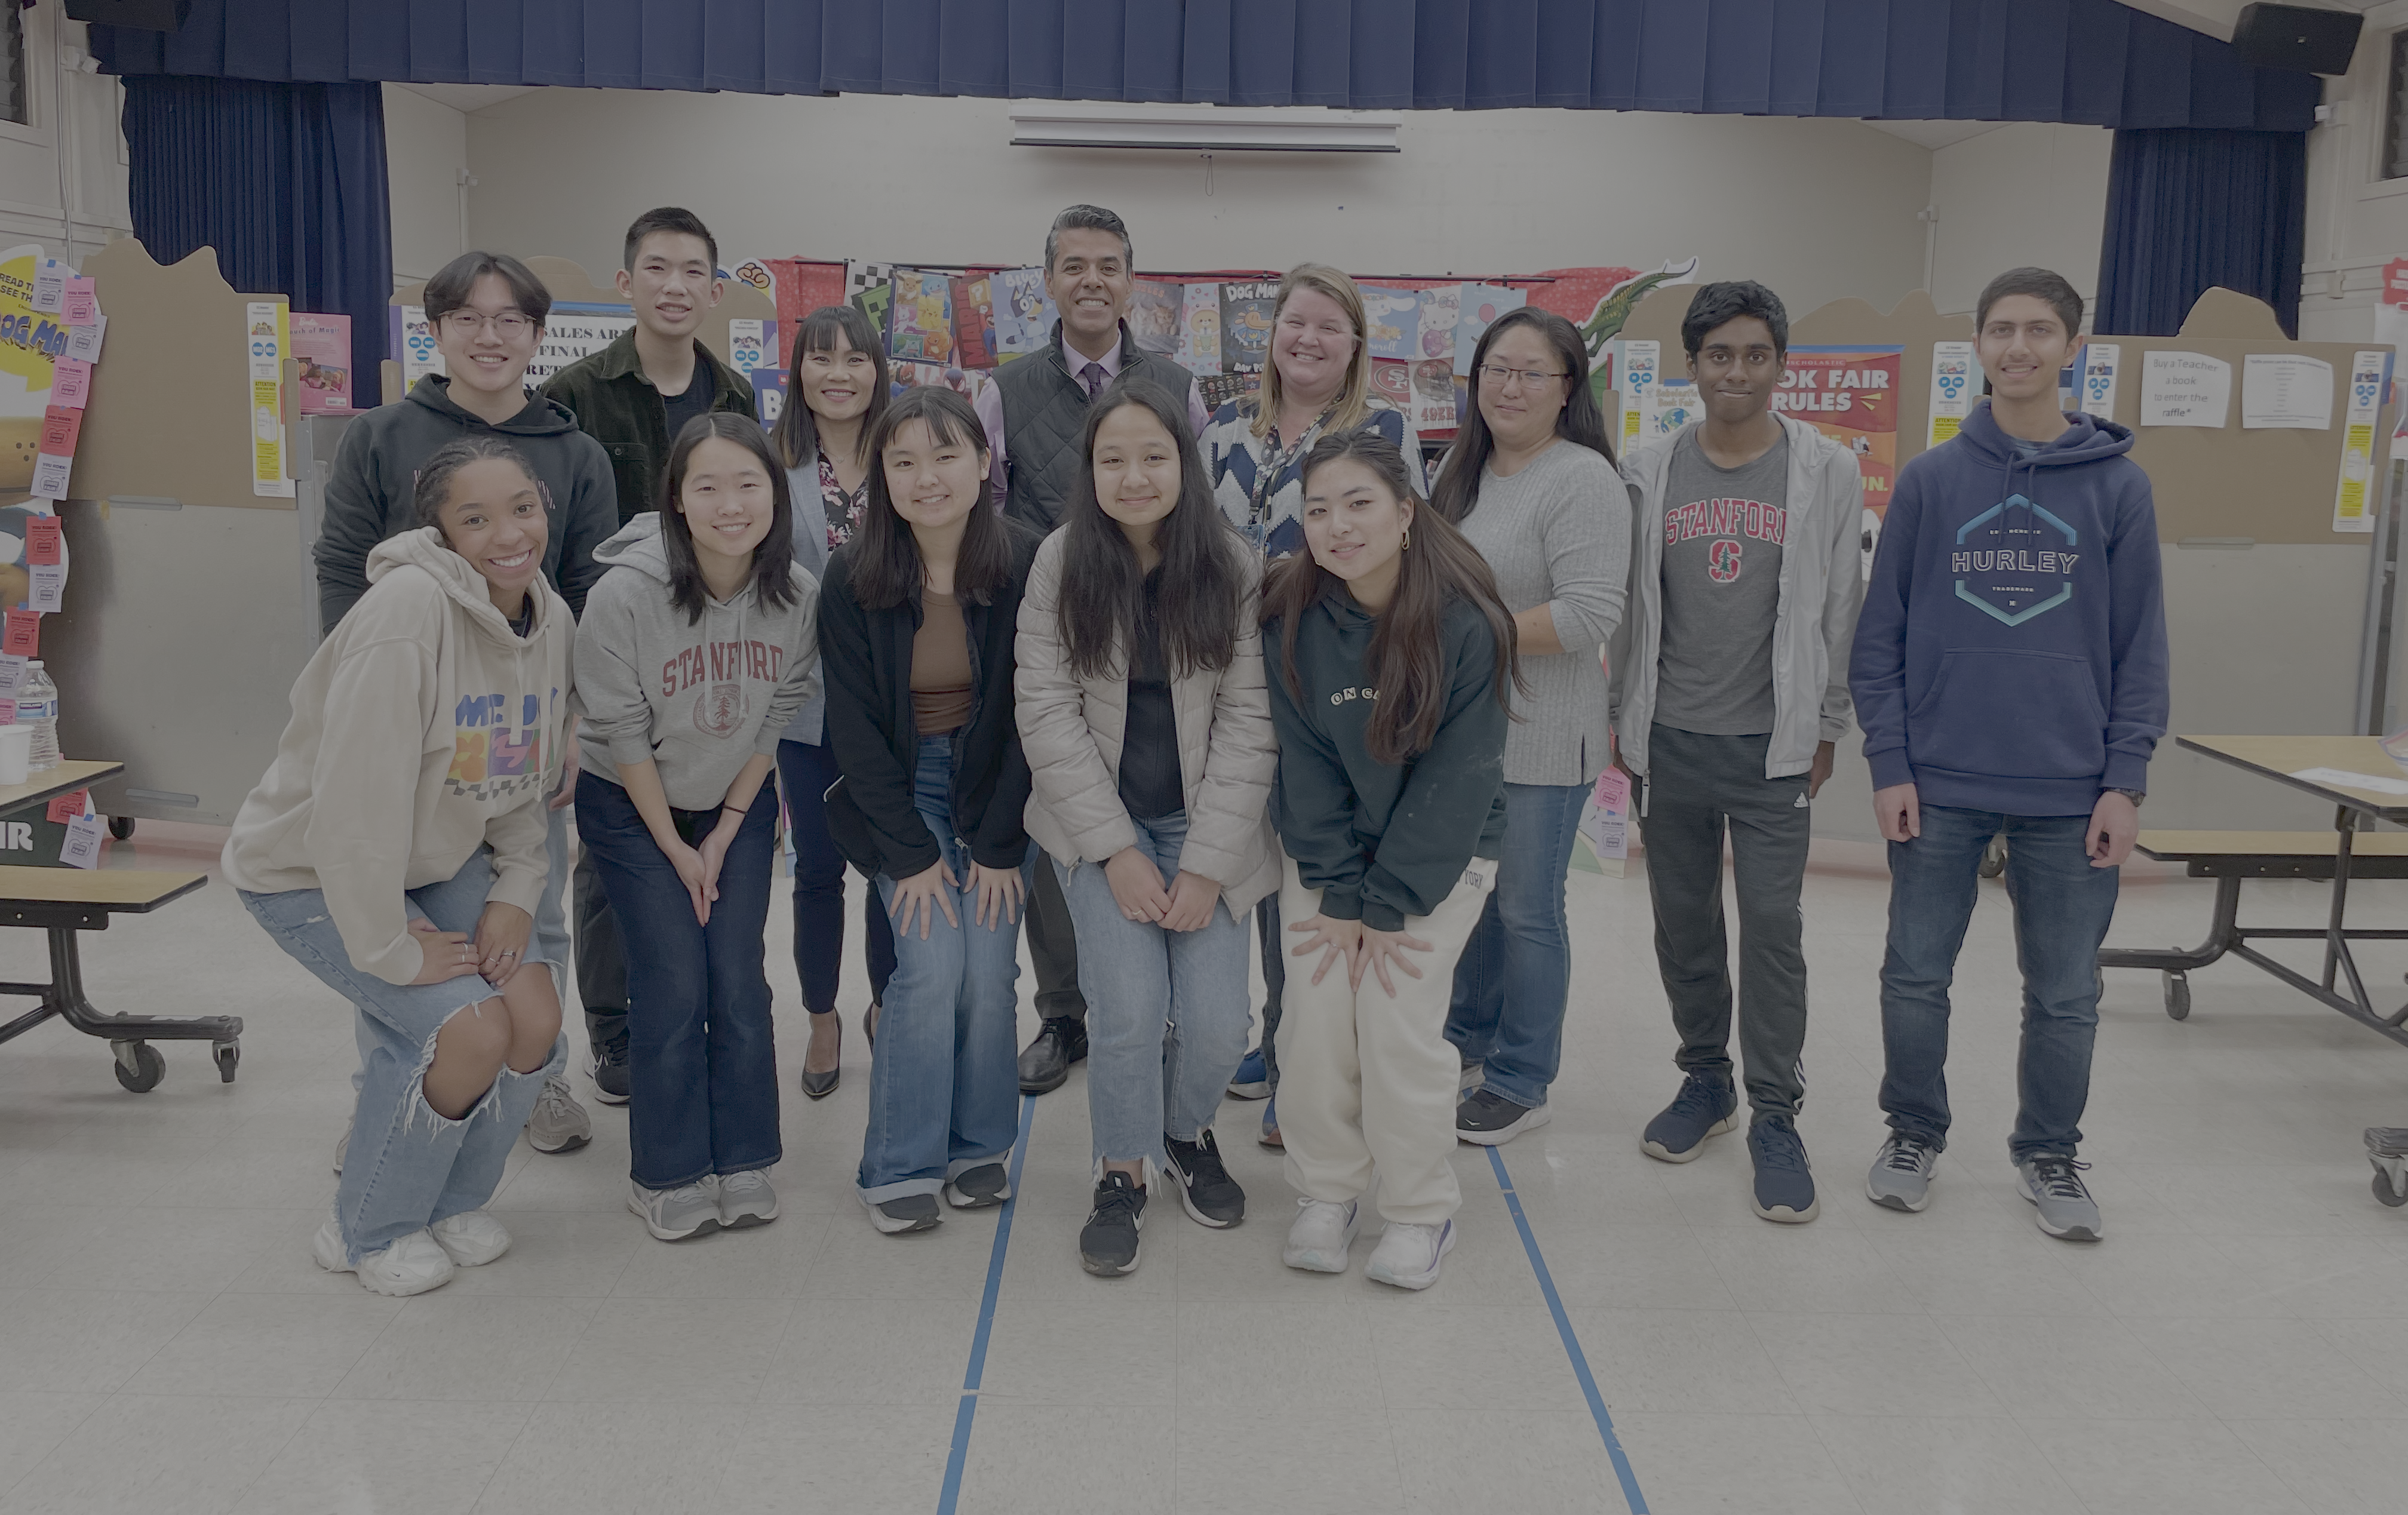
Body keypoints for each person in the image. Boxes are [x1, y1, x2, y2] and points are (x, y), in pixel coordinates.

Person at [1850, 266, 2167, 1243]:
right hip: (1940, 784)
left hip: (2072, 792)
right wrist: (1891, 763)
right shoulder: (1932, 482)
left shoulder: (2119, 487)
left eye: (2038, 331)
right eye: (2000, 330)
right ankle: (1912, 1131)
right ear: (1978, 349)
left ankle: (2050, 1151)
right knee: (1913, 972)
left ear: (2073, 348)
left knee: (2067, 993)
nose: (2018, 347)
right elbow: (1880, 641)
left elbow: (2140, 648)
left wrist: (2125, 780)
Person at [229, 438, 573, 1295]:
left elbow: (524, 772)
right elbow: (354, 804)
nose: (507, 534)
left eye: (522, 508)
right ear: (443, 533)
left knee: (532, 1015)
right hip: (311, 867)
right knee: (461, 1029)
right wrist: (390, 947)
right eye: (476, 518)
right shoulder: (407, 612)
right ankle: (367, 1227)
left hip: (433, 855)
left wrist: (518, 890)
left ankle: (450, 1201)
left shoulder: (548, 613)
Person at [312, 248, 612, 1159]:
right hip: (408, 741)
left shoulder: (574, 450)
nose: (491, 336)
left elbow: (593, 600)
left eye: (511, 319)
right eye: (469, 319)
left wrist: (572, 724)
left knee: (533, 908)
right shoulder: (379, 436)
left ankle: (539, 1073)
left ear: (535, 335)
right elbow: (340, 573)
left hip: (518, 736)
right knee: (400, 924)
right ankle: (390, 1093)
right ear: (434, 331)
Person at [1611, 281, 1866, 1225]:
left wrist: (1827, 725)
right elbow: (1633, 609)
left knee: (1773, 929)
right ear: (1692, 366)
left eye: (1756, 355)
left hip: (1774, 749)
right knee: (1683, 925)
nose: (1737, 372)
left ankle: (1775, 1113)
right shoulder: (1648, 468)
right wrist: (1621, 721)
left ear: (1780, 365)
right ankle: (1704, 1081)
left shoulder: (1824, 470)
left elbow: (1842, 605)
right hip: (1667, 740)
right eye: (1719, 355)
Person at [1016, 379, 1278, 1276]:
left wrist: (1205, 866)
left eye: (1154, 457)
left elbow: (1250, 723)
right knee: (1127, 1015)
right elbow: (1044, 710)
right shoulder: (1060, 561)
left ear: (1186, 464)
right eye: (1112, 459)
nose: (1134, 476)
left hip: (1212, 830)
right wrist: (1117, 851)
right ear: (1089, 470)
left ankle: (1182, 1130)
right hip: (1100, 831)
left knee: (1217, 1030)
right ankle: (1120, 1169)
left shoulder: (1232, 565)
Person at [1264, 430, 1519, 1290]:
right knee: (1316, 1014)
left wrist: (1386, 905)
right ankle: (1327, 1192)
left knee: (1397, 1015)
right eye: (1319, 510)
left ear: (1405, 514)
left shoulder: (1467, 622)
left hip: (1440, 858)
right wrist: (1340, 893)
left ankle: (1418, 1209)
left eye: (1359, 504)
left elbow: (1462, 776)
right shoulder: (1291, 618)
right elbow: (1305, 765)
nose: (1338, 526)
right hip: (1331, 857)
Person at [975, 204, 1212, 1098]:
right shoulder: (1004, 389)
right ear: (1047, 281)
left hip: (1163, 645)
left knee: (1164, 822)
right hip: (1054, 637)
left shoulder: (1178, 386)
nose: (1091, 281)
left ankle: (1162, 1017)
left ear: (1131, 280)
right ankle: (1065, 1013)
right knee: (1066, 824)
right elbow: (982, 515)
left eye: (1108, 266)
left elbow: (1194, 513)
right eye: (1073, 266)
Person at [573, 413, 821, 1241]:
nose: (730, 504)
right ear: (677, 500)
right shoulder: (624, 596)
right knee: (674, 980)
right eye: (707, 486)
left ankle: (745, 1156)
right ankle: (668, 1171)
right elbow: (620, 731)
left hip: (734, 804)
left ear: (776, 495)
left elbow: (779, 713)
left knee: (738, 980)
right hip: (630, 803)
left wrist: (730, 826)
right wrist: (677, 845)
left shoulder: (797, 593)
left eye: (749, 484)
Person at [1202, 262, 1418, 1148]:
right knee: (1253, 866)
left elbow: (1399, 561)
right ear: (1271, 333)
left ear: (1356, 344)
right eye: (1295, 322)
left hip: (1328, 676)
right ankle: (1276, 1037)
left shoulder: (1381, 429)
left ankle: (1309, 1074)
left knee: (1312, 865)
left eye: (1330, 326)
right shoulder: (1221, 427)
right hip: (1229, 677)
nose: (1309, 339)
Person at [544, 208, 757, 1099]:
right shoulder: (576, 395)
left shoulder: (737, 399)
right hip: (610, 655)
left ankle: (688, 1015)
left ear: (716, 290)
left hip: (711, 657)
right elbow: (553, 544)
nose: (676, 287)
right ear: (625, 282)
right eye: (657, 268)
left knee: (703, 841)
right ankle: (615, 1029)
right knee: (609, 846)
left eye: (694, 272)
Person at [820, 386, 1042, 1234]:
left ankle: (980, 1146)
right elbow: (854, 731)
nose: (926, 478)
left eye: (946, 456)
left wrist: (995, 845)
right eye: (904, 461)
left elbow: (1035, 716)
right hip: (900, 798)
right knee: (929, 967)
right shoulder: (853, 576)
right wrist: (910, 855)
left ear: (984, 462)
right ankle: (899, 1165)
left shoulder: (1025, 564)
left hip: (999, 796)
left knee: (987, 974)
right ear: (882, 474)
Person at [1431, 306, 1630, 1147]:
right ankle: (1467, 1046)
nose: (1509, 387)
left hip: (1545, 733)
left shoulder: (1581, 478)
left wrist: (1467, 636)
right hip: (1465, 735)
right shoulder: (1460, 473)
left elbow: (1590, 612)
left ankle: (1523, 1076)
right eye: (1495, 371)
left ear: (1566, 389)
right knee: (1474, 904)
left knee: (1527, 909)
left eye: (1530, 372)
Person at [768, 305, 899, 1099]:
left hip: (892, 702)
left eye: (856, 359)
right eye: (822, 359)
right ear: (800, 373)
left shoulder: (905, 452)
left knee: (889, 865)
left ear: (878, 370)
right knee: (817, 869)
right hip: (805, 702)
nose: (840, 374)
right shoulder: (772, 461)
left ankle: (890, 1003)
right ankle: (822, 1016)